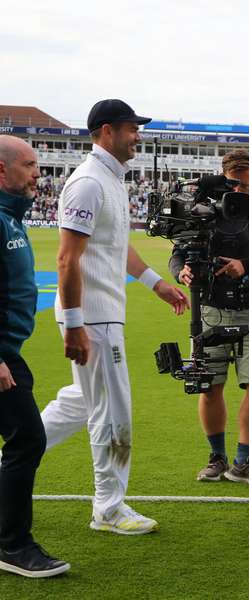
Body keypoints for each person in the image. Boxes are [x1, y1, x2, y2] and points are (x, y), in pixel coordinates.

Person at [42, 100, 189, 535]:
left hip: (102, 314)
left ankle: (14, 456)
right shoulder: (88, 182)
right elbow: (68, 259)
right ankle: (108, 508)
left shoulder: (110, 179)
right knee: (113, 412)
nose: (137, 136)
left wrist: (154, 283)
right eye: (130, 128)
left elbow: (115, 245)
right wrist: (74, 323)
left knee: (82, 402)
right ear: (106, 131)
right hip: (93, 317)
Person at [170, 149, 249, 486]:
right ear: (222, 177)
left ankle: (243, 460)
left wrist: (246, 265)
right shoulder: (201, 214)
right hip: (208, 309)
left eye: (246, 187)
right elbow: (177, 254)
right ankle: (216, 458)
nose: (239, 192)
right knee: (209, 387)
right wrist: (181, 273)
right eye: (234, 185)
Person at [0, 135, 70, 577]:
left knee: (25, 437)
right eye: (29, 165)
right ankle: (12, 545)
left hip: (8, 352)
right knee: (27, 438)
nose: (38, 175)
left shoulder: (11, 217)